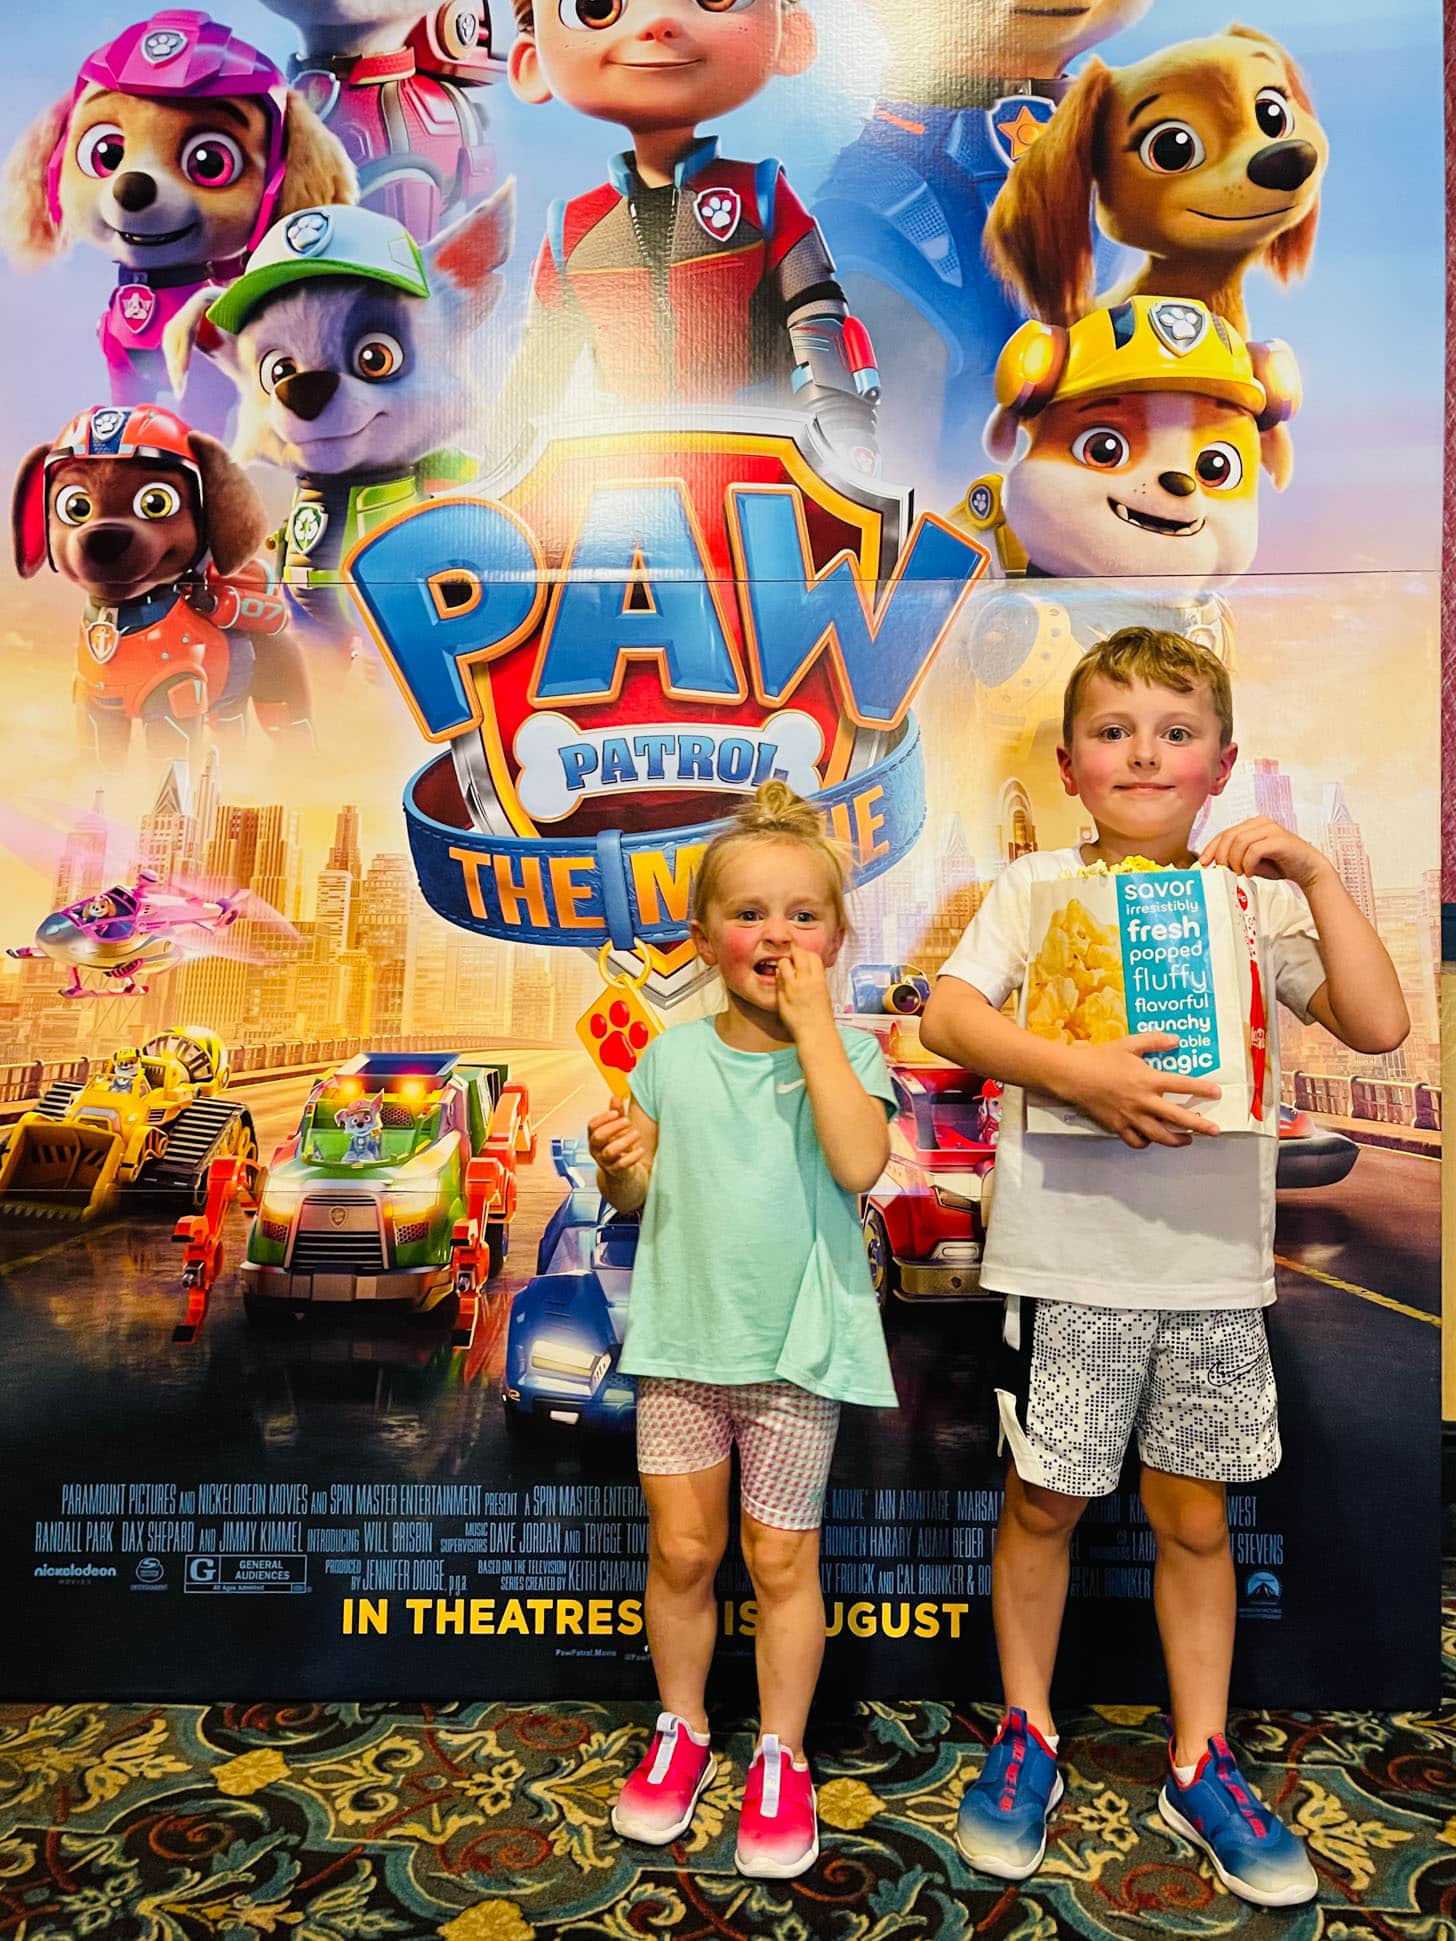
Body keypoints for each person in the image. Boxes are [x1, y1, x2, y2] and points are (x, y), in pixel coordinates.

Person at [919, 627, 1408, 1908]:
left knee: (1193, 1519)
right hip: (1068, 1264)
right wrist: (1072, 1071)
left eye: (1175, 732)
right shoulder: (1033, 887)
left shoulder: (1251, 902)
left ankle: (1199, 1758)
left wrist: (1313, 874)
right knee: (1044, 1503)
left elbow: (1377, 1022)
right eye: (1113, 731)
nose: (1144, 754)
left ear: (1221, 765)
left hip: (1207, 1274)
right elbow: (949, 1016)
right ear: (1070, 766)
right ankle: (1026, 1731)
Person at [587, 779, 897, 1879]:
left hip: (796, 1354)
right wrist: (622, 1167)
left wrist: (815, 1031)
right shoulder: (669, 1060)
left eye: (803, 915)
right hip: (683, 1345)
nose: (777, 935)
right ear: (703, 935)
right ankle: (680, 1729)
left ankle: (780, 1753)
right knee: (681, 1551)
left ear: (837, 937)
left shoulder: (852, 1057)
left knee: (779, 1559)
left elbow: (859, 1164)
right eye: (750, 913)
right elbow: (637, 1199)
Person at [494, 0, 879, 467]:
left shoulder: (759, 196)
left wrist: (845, 434)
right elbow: (537, 372)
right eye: (596, 7)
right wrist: (501, 465)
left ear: (789, 35)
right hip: (626, 464)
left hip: (754, 449)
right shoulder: (573, 229)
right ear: (532, 61)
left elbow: (816, 316)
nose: (657, 24)